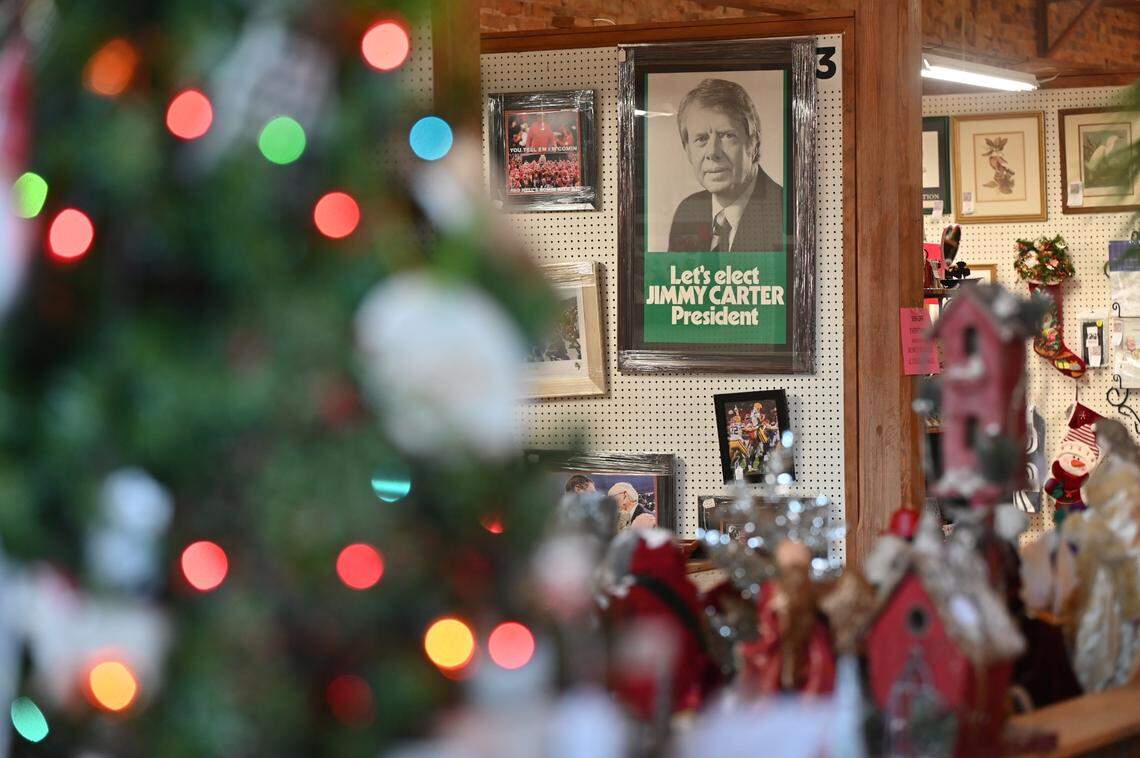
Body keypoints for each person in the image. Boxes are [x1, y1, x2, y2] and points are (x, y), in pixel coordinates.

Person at [667, 78, 784, 253]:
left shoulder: (786, 214)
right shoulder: (688, 211)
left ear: (754, 143)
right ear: (688, 150)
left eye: (727, 135)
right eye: (701, 139)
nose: (713, 152)